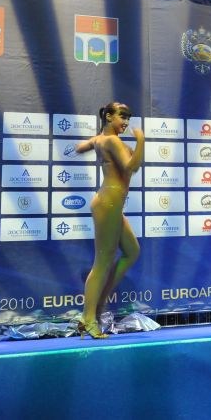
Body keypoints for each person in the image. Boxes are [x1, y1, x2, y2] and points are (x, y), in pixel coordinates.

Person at [75, 102, 145, 338]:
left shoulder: (102, 139)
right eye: (122, 116)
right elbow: (132, 166)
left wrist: (92, 143)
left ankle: (98, 303)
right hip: (109, 204)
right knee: (102, 263)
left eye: (128, 117)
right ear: (107, 116)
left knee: (132, 251)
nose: (125, 122)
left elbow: (81, 146)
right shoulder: (113, 141)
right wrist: (141, 141)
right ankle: (88, 317)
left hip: (110, 203)